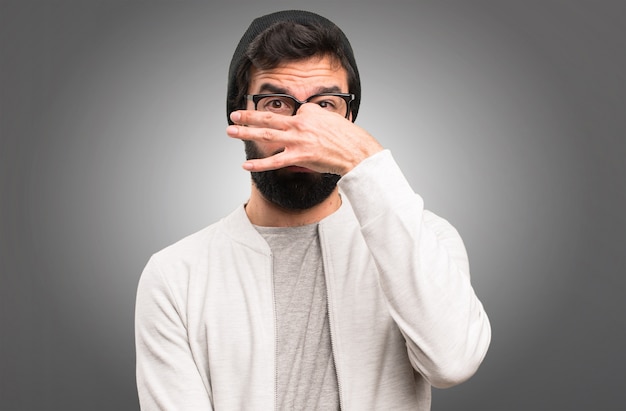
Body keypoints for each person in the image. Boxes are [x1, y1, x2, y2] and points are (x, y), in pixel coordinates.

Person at [135, 9, 491, 410]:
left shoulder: (425, 238)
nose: (304, 128)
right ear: (239, 114)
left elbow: (453, 362)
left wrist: (368, 160)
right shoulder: (174, 276)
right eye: (276, 102)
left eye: (325, 105)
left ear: (350, 119)